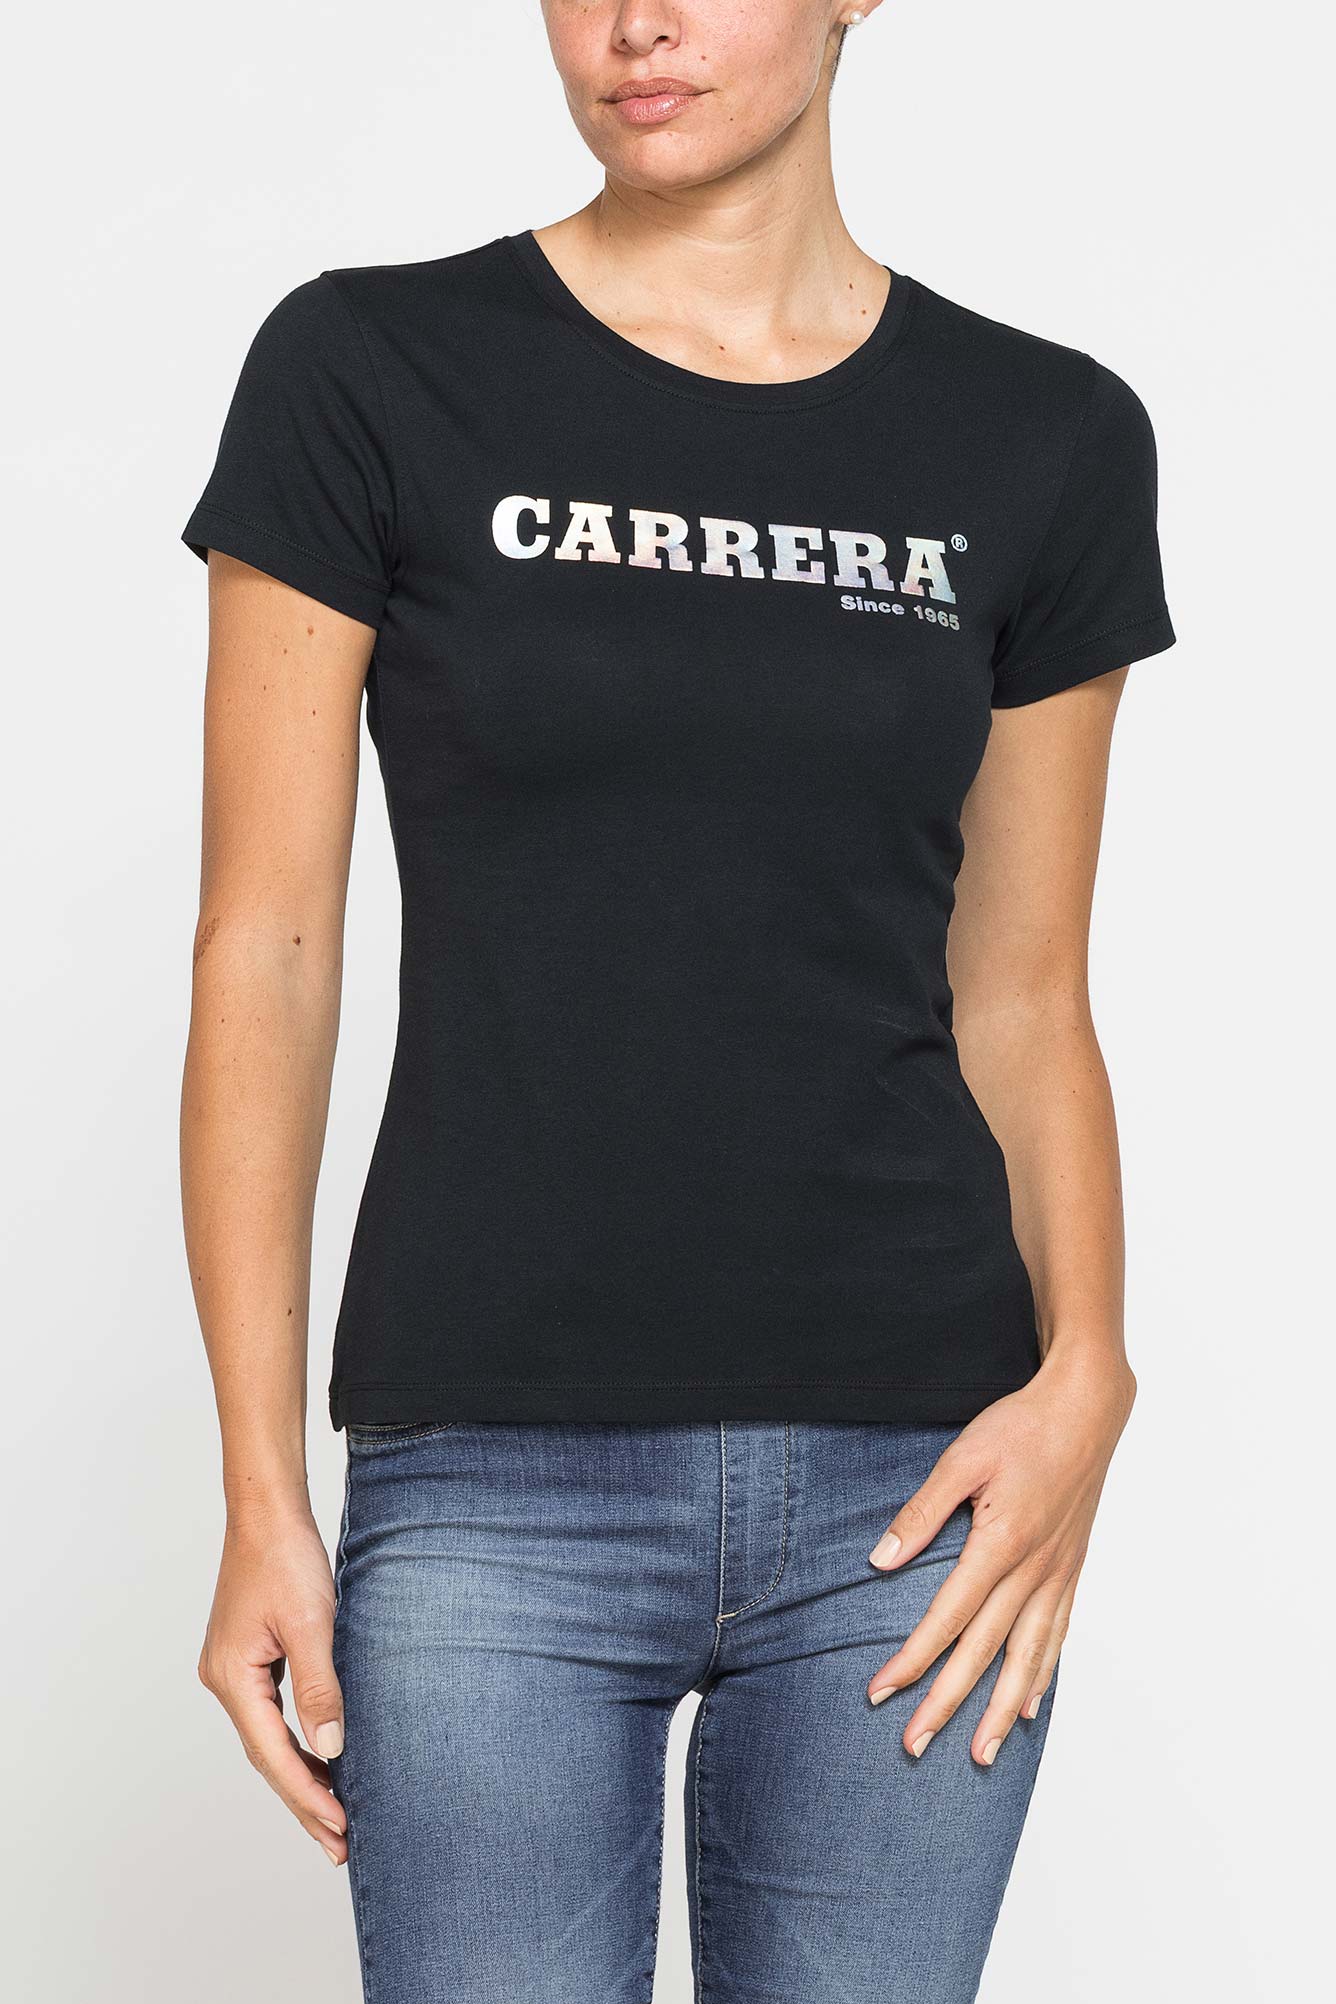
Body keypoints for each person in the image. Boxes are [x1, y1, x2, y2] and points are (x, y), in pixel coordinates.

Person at [180, 4, 1174, 1999]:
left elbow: (1021, 993)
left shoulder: (1044, 434)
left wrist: (1088, 1372)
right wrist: (260, 1492)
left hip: (914, 1477)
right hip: (491, 1480)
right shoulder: (369, 369)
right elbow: (265, 952)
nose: (634, 20)